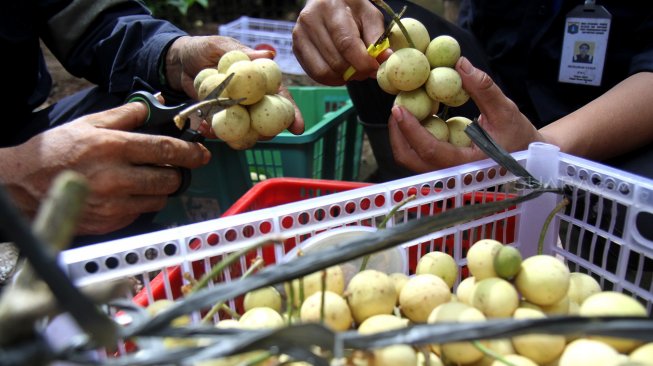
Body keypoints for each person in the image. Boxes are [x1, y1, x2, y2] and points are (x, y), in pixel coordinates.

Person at [0, 0, 304, 245]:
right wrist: (13, 183)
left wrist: (169, 56)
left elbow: (92, 17)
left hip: (15, 131)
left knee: (159, 110)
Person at [292, 0, 653, 182]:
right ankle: (416, 195)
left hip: (616, 121)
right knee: (373, 17)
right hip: (493, 96)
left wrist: (543, 144)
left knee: (638, 210)